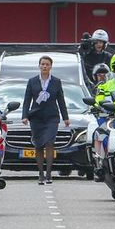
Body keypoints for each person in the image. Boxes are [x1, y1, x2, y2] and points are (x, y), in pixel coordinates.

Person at [21, 55, 70, 184]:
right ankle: (40, 173)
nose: (44, 66)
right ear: (39, 66)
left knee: (49, 143)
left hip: (51, 117)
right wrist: (24, 116)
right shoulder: (32, 81)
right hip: (36, 117)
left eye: (47, 64)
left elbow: (61, 100)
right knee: (38, 145)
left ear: (50, 67)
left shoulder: (56, 81)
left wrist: (66, 118)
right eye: (42, 64)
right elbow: (27, 100)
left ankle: (49, 174)